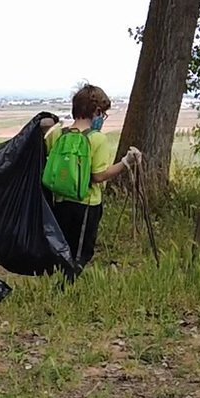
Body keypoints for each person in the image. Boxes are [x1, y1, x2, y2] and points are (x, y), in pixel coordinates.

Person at [42, 83, 141, 271]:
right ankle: (66, 289)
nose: (102, 119)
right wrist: (126, 163)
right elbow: (98, 176)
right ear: (96, 111)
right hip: (87, 204)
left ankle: (59, 281)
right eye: (102, 114)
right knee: (81, 253)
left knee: (63, 247)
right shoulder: (97, 139)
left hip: (58, 201)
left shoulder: (57, 133)